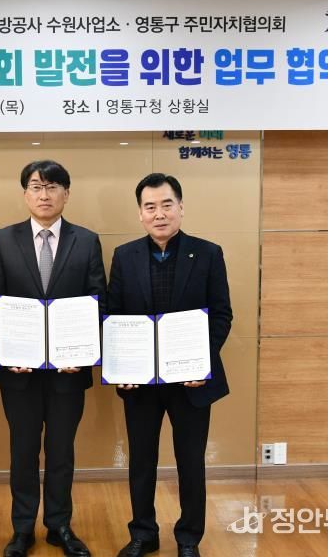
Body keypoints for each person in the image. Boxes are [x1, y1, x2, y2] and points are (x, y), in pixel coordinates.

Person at [0, 160, 107, 557]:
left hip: (68, 371)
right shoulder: (4, 239)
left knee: (61, 451)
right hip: (18, 371)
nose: (44, 194)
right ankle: (22, 529)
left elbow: (98, 300)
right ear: (25, 194)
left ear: (66, 194)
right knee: (22, 451)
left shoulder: (86, 240)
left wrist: (83, 350)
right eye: (36, 186)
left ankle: (59, 525)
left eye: (53, 187)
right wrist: (9, 349)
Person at [108, 173, 232, 557]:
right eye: (150, 207)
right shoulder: (125, 256)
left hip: (191, 382)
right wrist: (120, 368)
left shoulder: (208, 253)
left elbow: (221, 315)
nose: (159, 214)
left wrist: (200, 364)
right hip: (141, 383)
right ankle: (143, 533)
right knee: (141, 461)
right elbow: (113, 316)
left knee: (191, 462)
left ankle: (188, 538)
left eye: (166, 205)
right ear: (140, 213)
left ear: (180, 207)